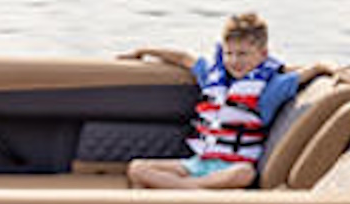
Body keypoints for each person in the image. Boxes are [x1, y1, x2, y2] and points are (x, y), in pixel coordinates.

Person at [120, 12, 300, 189]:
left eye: (242, 54)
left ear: (263, 54)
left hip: (232, 167)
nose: (234, 60)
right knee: (137, 168)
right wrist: (144, 51)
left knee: (245, 173)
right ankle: (193, 188)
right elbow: (184, 58)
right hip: (197, 164)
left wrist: (317, 69)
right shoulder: (212, 77)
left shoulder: (271, 88)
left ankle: (185, 187)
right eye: (229, 53)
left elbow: (304, 74)